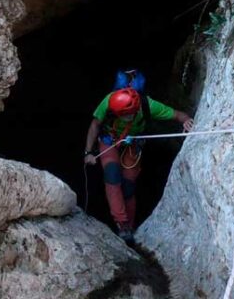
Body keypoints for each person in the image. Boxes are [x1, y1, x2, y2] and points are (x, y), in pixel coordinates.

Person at [83, 71, 194, 244]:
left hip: (132, 143)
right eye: (121, 115)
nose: (125, 117)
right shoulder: (109, 102)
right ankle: (122, 224)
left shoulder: (147, 105)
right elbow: (95, 125)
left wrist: (186, 120)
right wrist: (88, 152)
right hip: (109, 140)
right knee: (112, 175)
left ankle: (130, 226)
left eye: (127, 115)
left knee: (128, 186)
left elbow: (179, 115)